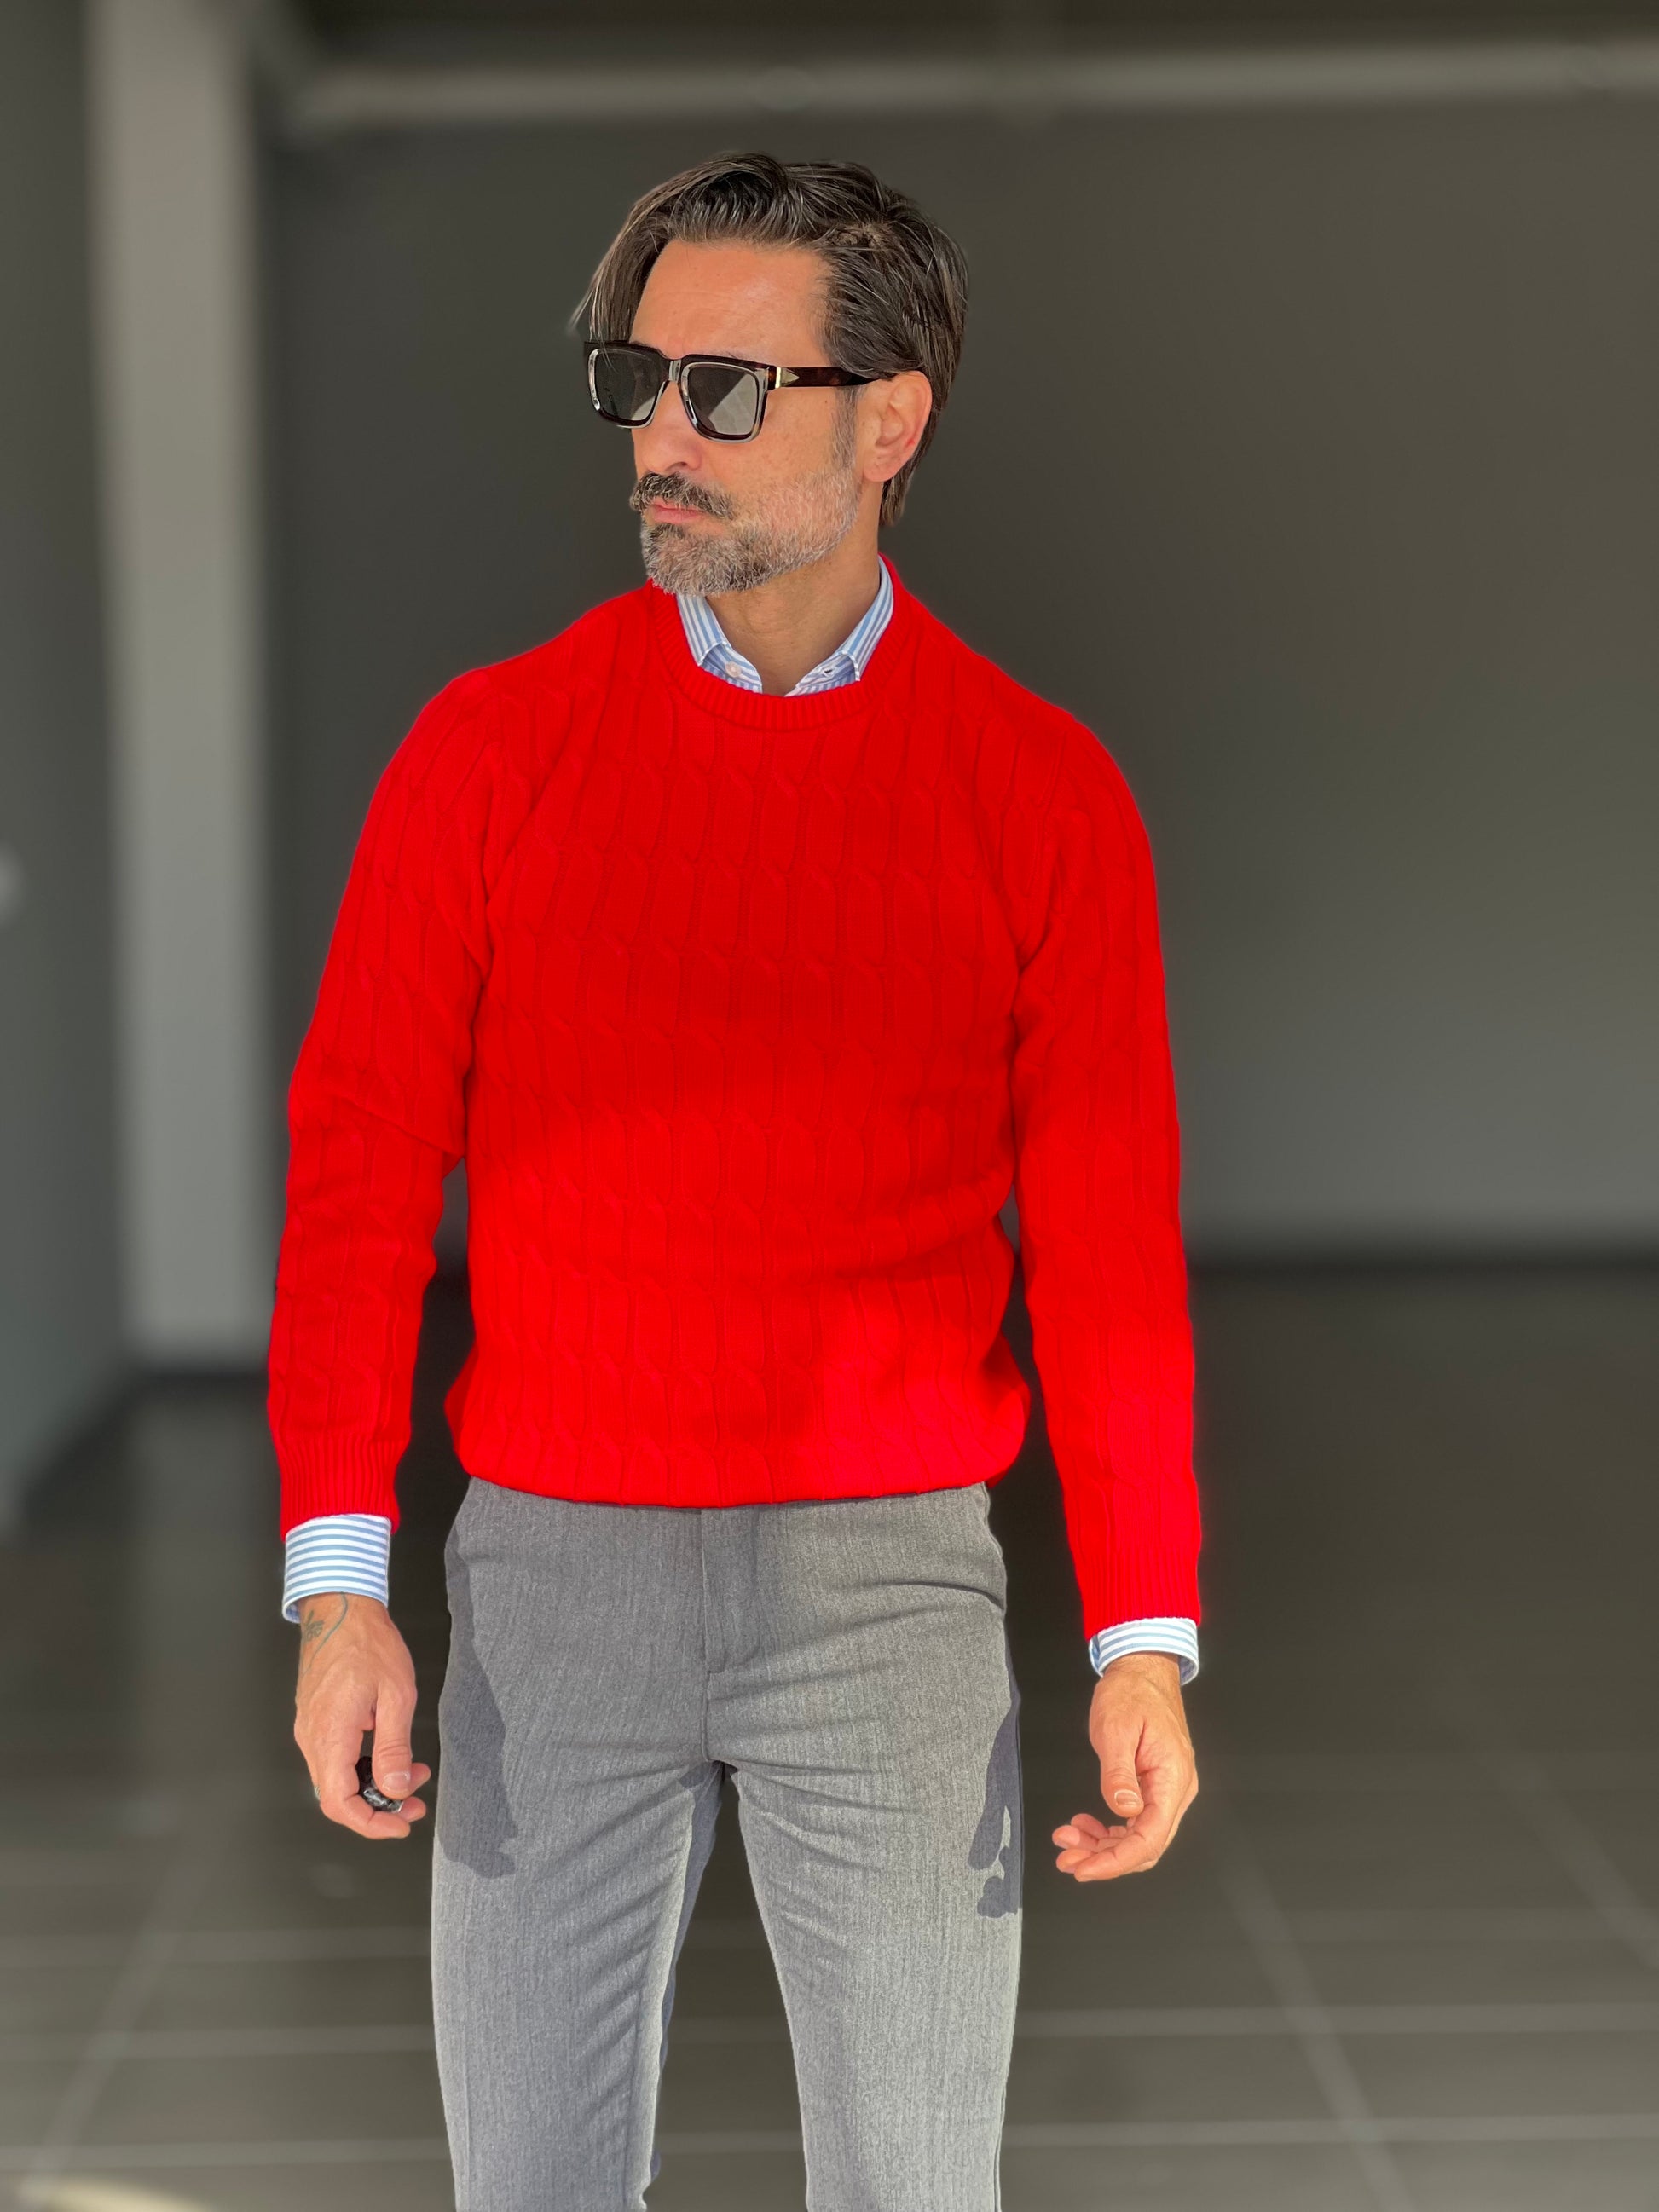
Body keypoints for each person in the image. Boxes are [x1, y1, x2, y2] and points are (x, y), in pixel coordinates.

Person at [272, 152, 1202, 2212]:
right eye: (637, 379)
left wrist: (1143, 1628)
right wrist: (340, 1590)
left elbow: (1108, 1249)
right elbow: (356, 1176)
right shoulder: (487, 755)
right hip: (547, 1579)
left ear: (891, 421)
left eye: (724, 388)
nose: (659, 437)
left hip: (890, 1590)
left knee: (911, 2187)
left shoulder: (1040, 796)